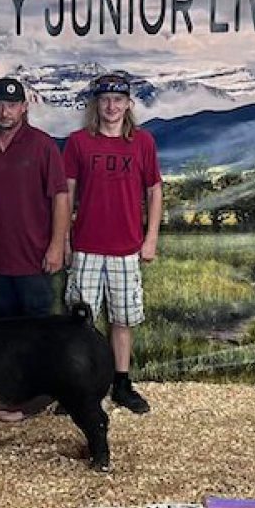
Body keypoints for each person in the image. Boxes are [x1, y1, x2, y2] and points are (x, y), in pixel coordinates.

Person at [63, 71, 163, 414]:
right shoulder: (78, 142)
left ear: (128, 104)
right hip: (87, 245)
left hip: (126, 247)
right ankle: (81, 385)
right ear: (96, 104)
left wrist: (150, 239)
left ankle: (121, 383)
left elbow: (154, 191)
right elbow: (67, 194)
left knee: (122, 320)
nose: (111, 106)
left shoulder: (143, 142)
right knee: (81, 322)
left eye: (118, 100)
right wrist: (64, 240)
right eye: (105, 100)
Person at [0, 77, 70, 317]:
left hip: (36, 260)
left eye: (12, 105)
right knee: (5, 334)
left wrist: (56, 245)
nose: (4, 112)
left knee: (37, 334)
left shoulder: (43, 145)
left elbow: (60, 197)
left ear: (24, 107)